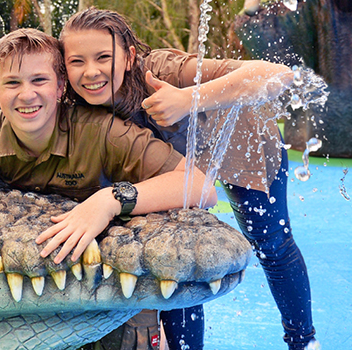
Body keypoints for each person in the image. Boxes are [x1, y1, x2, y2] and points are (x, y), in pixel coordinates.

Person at [58, 8, 318, 350]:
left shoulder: (163, 68)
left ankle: (304, 341)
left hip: (242, 138)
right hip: (176, 163)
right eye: (78, 61)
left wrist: (187, 99)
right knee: (178, 249)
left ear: (129, 56)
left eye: (103, 57)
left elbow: (277, 75)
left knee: (270, 241)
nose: (91, 71)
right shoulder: (74, 100)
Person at [0, 28, 215, 270]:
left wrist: (109, 201)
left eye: (39, 80)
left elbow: (202, 188)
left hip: (115, 245)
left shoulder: (103, 131)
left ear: (61, 86)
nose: (26, 95)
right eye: (12, 83)